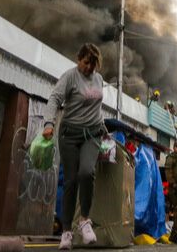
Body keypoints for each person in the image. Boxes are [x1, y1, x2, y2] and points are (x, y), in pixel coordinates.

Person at [43, 43, 106, 250]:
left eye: (93, 64)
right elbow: (54, 98)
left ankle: (84, 221)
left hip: (92, 134)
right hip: (70, 135)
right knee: (70, 181)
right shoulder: (70, 77)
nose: (89, 67)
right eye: (86, 62)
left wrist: (103, 127)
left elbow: (96, 107)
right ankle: (67, 232)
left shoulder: (98, 79)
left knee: (87, 172)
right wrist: (49, 123)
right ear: (79, 59)